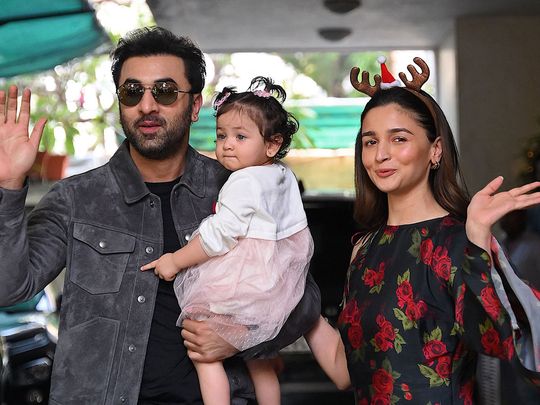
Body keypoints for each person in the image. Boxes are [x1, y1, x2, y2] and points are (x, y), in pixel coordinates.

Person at [0, 26, 320, 404]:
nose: (147, 106)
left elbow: (304, 301)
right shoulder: (76, 198)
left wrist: (240, 338)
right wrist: (8, 185)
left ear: (196, 105)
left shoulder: (241, 188)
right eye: (132, 92)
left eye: (165, 92)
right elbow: (10, 288)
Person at [304, 57, 540, 403]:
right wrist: (294, 301)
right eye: (370, 142)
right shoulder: (364, 249)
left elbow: (497, 340)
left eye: (398, 139)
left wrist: (476, 234)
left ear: (435, 150)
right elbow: (344, 371)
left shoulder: (462, 240)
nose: (381, 154)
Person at [141, 76, 313, 405]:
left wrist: (175, 260)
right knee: (260, 359)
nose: (227, 145)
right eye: (221, 136)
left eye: (240, 136)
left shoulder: (242, 181)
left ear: (273, 144)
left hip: (240, 283)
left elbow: (217, 238)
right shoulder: (282, 175)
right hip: (275, 282)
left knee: (205, 354)